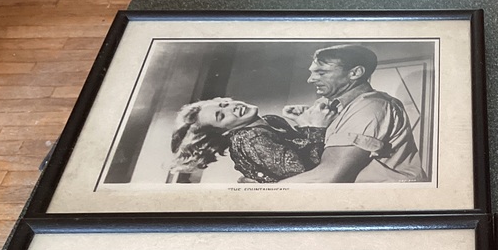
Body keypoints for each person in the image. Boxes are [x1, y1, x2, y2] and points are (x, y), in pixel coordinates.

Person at [281, 44, 425, 183]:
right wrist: (305, 122)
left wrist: (272, 190)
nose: (310, 79)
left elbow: (327, 176)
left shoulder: (372, 107)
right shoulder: (329, 104)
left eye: (321, 73)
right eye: (312, 72)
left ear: (355, 73)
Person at [169, 96, 335, 183]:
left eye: (224, 104)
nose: (232, 108)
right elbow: (309, 173)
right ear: (223, 132)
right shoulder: (249, 140)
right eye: (221, 116)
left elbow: (301, 150)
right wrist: (317, 127)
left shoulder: (270, 120)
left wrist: (302, 121)